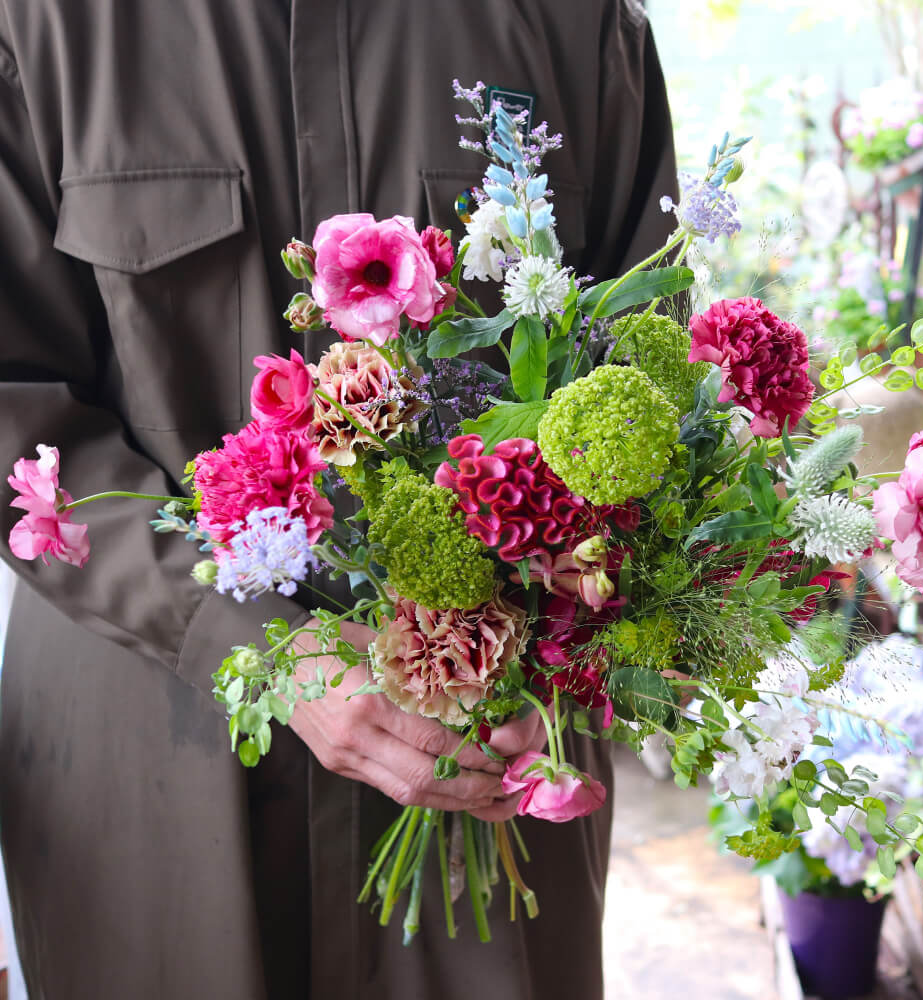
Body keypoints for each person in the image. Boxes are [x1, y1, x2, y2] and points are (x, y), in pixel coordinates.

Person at [0, 1, 679, 996]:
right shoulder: (48, 22)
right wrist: (257, 644)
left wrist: (577, 619)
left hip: (485, 795)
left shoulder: (575, 22)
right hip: (159, 790)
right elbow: (15, 403)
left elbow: (649, 385)